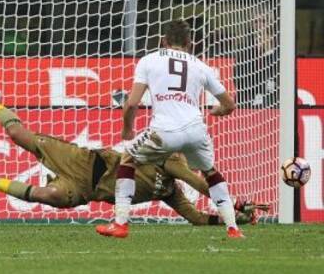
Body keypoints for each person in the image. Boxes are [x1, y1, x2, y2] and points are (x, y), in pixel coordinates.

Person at [0, 84, 267, 226]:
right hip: (86, 162)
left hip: (85, 191)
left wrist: (234, 219)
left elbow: (196, 218)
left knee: (47, 195)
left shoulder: (170, 193)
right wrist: (233, 205)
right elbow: (198, 182)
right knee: (17, 135)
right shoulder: (169, 159)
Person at [96, 20, 241, 239]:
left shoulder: (149, 61)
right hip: (195, 130)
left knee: (127, 159)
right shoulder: (201, 66)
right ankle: (233, 228)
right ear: (190, 43)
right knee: (210, 172)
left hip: (164, 132)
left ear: (163, 41)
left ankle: (120, 224)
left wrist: (127, 130)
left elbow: (132, 103)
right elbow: (229, 104)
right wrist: (218, 111)